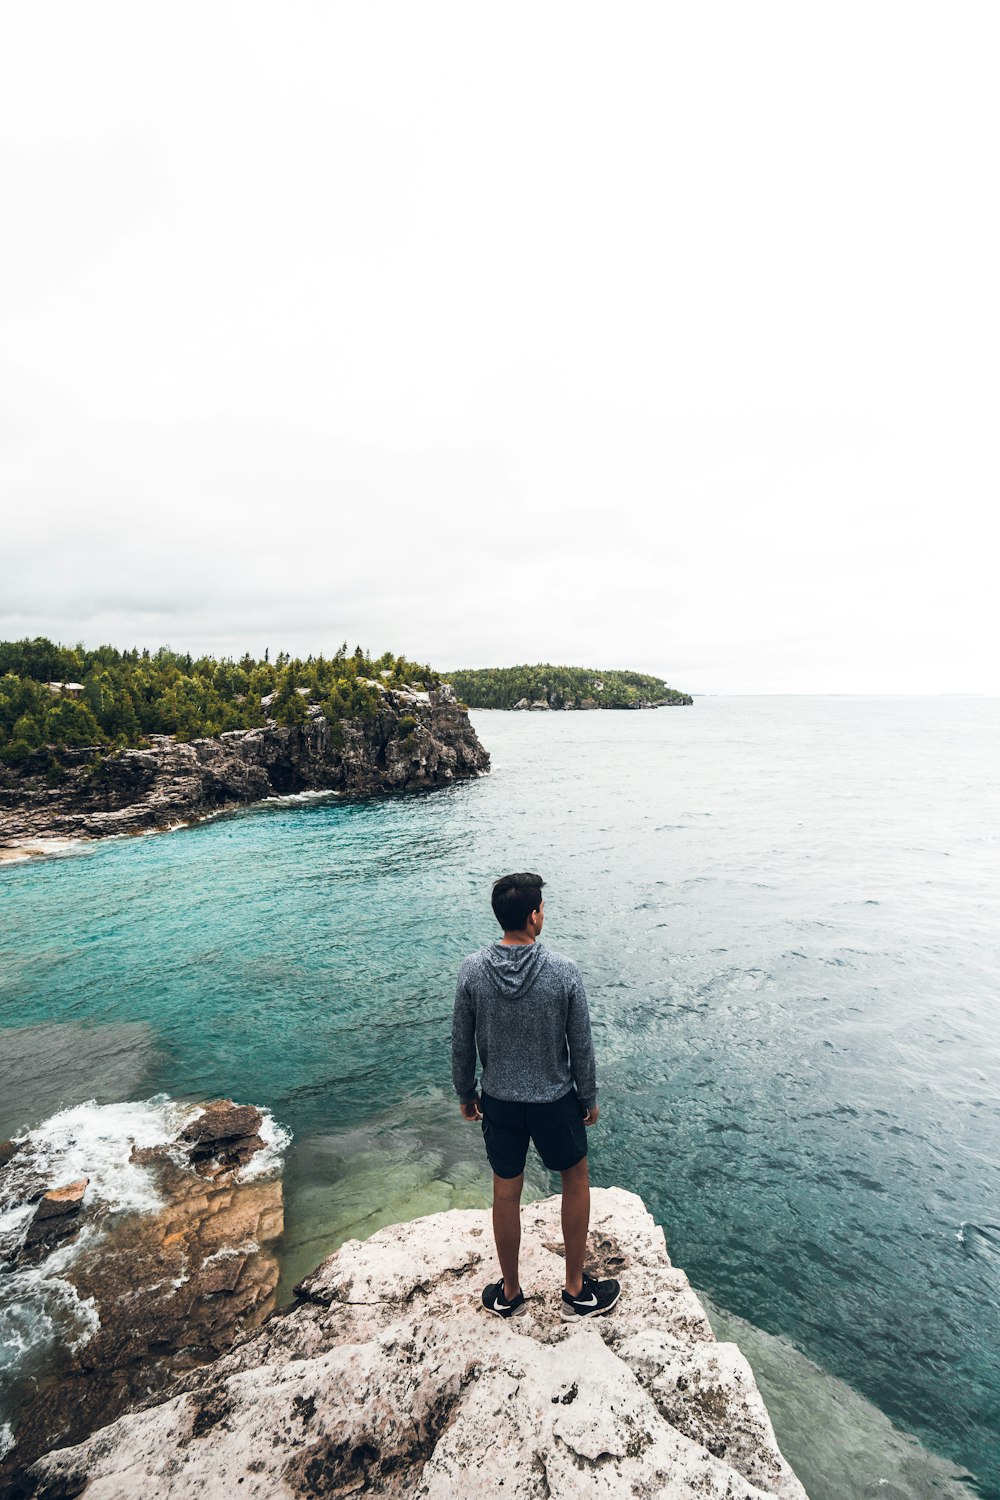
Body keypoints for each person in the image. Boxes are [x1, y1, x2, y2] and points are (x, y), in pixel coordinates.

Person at [451, 871, 621, 1321]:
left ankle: (509, 1293)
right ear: (532, 915)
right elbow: (580, 1044)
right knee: (575, 1180)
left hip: (500, 1102)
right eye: (542, 907)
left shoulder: (471, 970)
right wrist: (590, 1098)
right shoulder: (563, 971)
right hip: (555, 1101)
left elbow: (461, 1043)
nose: (544, 913)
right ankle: (575, 1291)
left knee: (505, 1194)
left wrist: (465, 1094)